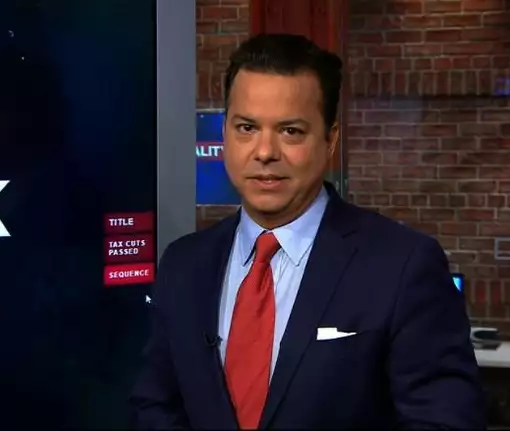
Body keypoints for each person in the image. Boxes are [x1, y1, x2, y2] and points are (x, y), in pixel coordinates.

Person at [130, 33, 485, 429]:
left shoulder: (403, 267)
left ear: (330, 140)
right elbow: (155, 405)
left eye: (291, 131)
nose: (265, 152)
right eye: (246, 127)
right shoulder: (183, 264)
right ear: (225, 133)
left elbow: (443, 421)